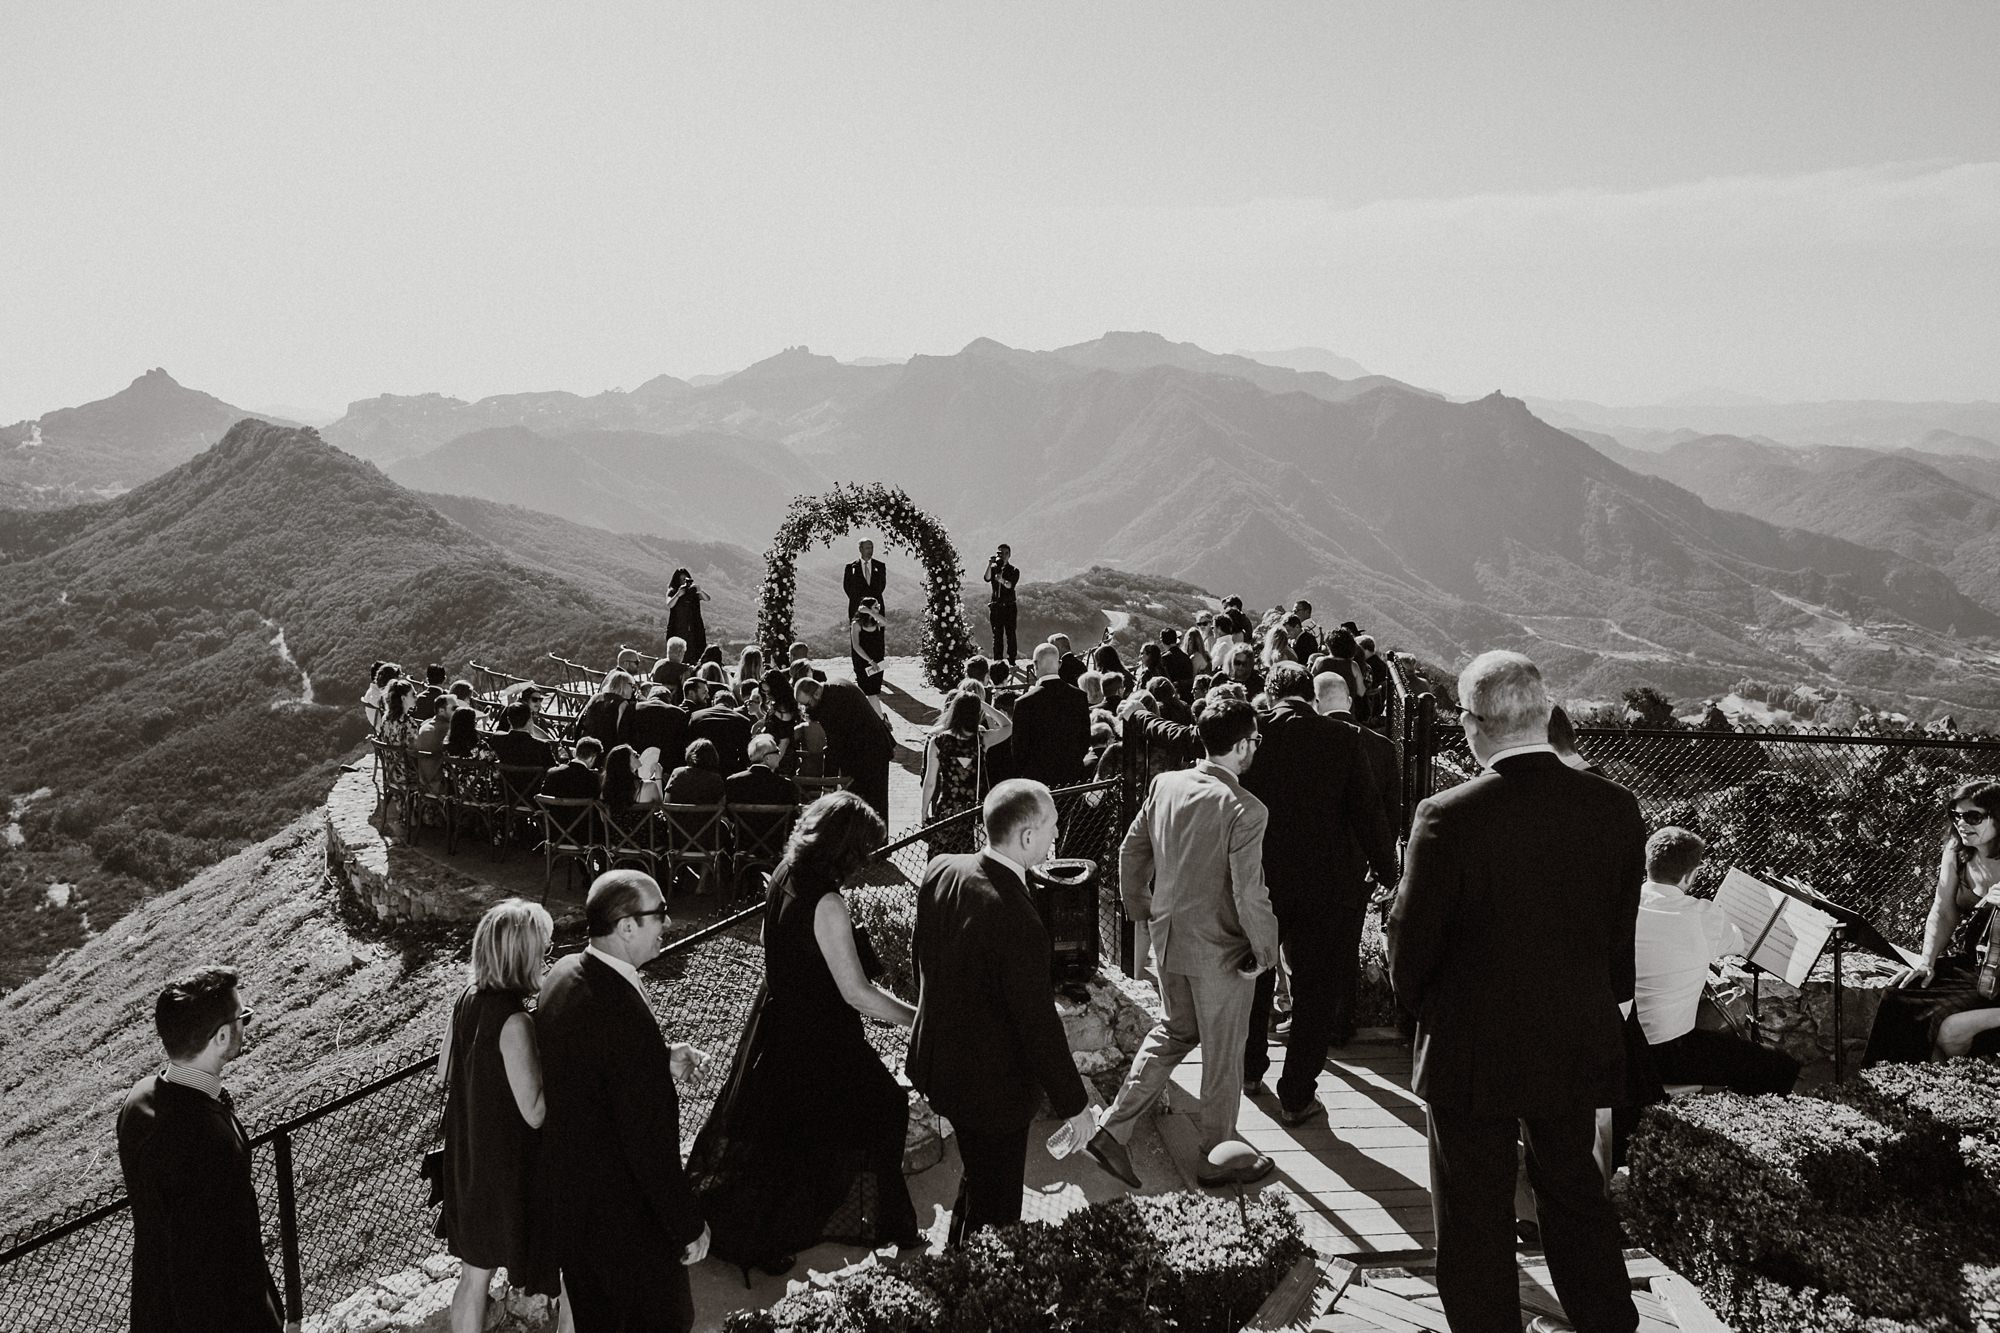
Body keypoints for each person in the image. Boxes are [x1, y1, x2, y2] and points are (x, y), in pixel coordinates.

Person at [1388, 650, 1643, 1333]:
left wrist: (1427, 1010)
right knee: (1576, 1194)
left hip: (1472, 1046)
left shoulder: (1447, 815)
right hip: (1574, 1035)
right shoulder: (1615, 807)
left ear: (1472, 725)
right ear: (1544, 713)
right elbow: (1620, 936)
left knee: (1473, 1212)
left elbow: (1411, 947)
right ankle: (1609, 1324)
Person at [687, 794, 920, 1273]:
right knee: (887, 1107)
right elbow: (857, 993)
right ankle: (885, 1223)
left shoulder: (784, 872)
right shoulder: (828, 903)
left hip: (779, 1022)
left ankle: (765, 1233)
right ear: (847, 850)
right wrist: (919, 1019)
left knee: (780, 1133)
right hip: (821, 1035)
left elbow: (773, 943)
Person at [1089, 698, 1281, 1189]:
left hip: (1168, 937)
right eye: (1255, 740)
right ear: (1242, 746)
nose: (1256, 748)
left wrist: (1141, 908)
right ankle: (1217, 1155)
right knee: (1223, 1055)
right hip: (1222, 951)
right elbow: (1248, 892)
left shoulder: (1166, 784)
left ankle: (1113, 1129)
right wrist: (1266, 951)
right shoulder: (1247, 809)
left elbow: (1132, 849)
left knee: (1174, 1033)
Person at [908, 780, 1101, 1244]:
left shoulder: (941, 868)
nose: (1058, 835)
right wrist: (1076, 1107)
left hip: (940, 1066)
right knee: (997, 1213)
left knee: (979, 1178)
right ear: (1027, 837)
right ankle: (972, 1277)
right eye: (1053, 826)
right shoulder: (1016, 918)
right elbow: (1038, 1026)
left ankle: (957, 1254)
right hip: (990, 1092)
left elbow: (923, 963)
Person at [537, 872, 709, 1333]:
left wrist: (660, 1058)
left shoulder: (564, 975)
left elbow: (591, 1066)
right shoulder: (620, 1013)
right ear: (627, 926)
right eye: (659, 913)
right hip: (624, 1222)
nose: (667, 923)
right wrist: (688, 1224)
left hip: (576, 1210)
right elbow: (647, 1141)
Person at [1239, 664, 1398, 1120]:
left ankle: (1249, 1069)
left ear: (1270, 694)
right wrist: (1387, 870)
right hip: (1327, 883)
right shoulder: (1343, 738)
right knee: (1315, 989)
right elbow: (1367, 810)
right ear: (1311, 695)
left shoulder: (1254, 734)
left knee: (1255, 978)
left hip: (1262, 878)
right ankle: (1297, 1095)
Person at [117, 966, 284, 1333]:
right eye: (243, 1017)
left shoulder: (138, 1101)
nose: (246, 1024)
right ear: (222, 1036)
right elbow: (216, 1267)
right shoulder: (210, 1142)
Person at [440, 900, 559, 1332]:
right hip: (505, 1170)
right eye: (543, 948)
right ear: (521, 955)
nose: (546, 957)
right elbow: (535, 1112)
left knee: (473, 1276)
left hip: (468, 1156)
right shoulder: (515, 1021)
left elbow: (444, 1070)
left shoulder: (466, 999)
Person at [1630, 828, 1799, 1092]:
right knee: (1781, 1066)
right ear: (1689, 875)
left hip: (1622, 1045)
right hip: (1666, 1052)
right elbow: (1739, 942)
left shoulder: (1623, 907)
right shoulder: (1703, 916)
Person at [1866, 779, 2000, 1063]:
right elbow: (1943, 911)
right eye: (1956, 815)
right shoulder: (1957, 852)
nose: (1962, 823)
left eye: (1973, 816)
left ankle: (1934, 1080)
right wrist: (1926, 962)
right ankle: (1887, 1081)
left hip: (1998, 980)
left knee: (1942, 1020)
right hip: (1979, 966)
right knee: (1899, 994)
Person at [1316, 669, 1401, 870]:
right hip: (1364, 854)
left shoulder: (1313, 742)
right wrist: (1383, 857)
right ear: (1349, 702)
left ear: (1315, 702)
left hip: (1321, 852)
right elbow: (1392, 809)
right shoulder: (1383, 746)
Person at [793, 677, 894, 822]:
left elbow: (834, 746)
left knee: (870, 805)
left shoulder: (830, 705)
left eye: (807, 704)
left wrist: (828, 784)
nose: (806, 709)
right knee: (869, 805)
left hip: (870, 754)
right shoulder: (835, 685)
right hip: (872, 748)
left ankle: (875, 835)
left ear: (816, 694)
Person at [920, 692, 1008, 853]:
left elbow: (930, 782)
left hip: (948, 808)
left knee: (945, 856)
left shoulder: (938, 741)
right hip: (976, 809)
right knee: (974, 856)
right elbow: (1008, 726)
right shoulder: (982, 739)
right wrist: (984, 705)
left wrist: (924, 810)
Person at [1011, 643, 1092, 789]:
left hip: (1038, 780)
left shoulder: (1024, 703)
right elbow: (1085, 739)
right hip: (1072, 777)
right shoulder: (1079, 697)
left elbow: (1019, 750)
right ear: (1059, 664)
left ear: (1035, 665)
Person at [490, 702, 556, 795]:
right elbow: (553, 772)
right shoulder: (542, 745)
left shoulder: (498, 740)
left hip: (508, 795)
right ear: (529, 720)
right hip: (534, 795)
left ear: (508, 720)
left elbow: (499, 733)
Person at [689, 689, 755, 776]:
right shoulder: (742, 721)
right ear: (732, 707)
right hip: (729, 770)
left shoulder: (696, 717)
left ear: (713, 703)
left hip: (701, 768)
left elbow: (689, 745)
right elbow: (745, 753)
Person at [571, 671, 636, 756]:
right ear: (623, 685)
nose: (633, 690)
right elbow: (620, 731)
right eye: (632, 686)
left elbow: (581, 721)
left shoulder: (596, 697)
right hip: (606, 749)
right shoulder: (622, 703)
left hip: (588, 744)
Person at [726, 734, 800, 808]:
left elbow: (728, 811)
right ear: (767, 758)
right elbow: (793, 813)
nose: (779, 755)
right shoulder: (786, 786)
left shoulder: (732, 782)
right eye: (777, 751)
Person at [849, 597, 888, 715]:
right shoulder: (856, 624)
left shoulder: (876, 621)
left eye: (878, 606)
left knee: (874, 691)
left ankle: (876, 717)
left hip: (878, 660)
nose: (878, 608)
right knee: (869, 692)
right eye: (875, 606)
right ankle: (879, 718)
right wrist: (870, 661)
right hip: (863, 661)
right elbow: (856, 646)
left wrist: (870, 611)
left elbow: (885, 622)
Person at [982, 543, 1021, 663]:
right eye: (1000, 553)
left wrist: (1002, 580)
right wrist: (990, 564)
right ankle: (998, 660)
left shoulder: (1014, 570)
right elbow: (987, 578)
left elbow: (1010, 585)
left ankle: (1012, 659)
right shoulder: (994, 569)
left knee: (1011, 633)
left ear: (1009, 555)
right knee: (997, 634)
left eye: (1005, 553)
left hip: (1009, 606)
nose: (1003, 555)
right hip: (996, 606)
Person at [602, 743, 662, 815]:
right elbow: (662, 809)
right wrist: (658, 777)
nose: (639, 756)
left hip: (616, 822)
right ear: (625, 762)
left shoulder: (606, 791)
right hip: (643, 822)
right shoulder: (650, 787)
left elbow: (604, 817)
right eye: (635, 755)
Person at [666, 569, 709, 664]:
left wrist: (700, 591)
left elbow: (707, 598)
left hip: (695, 629)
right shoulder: (673, 591)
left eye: (686, 579)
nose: (684, 582)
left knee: (697, 652)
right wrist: (678, 595)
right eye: (682, 580)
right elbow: (669, 604)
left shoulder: (693, 592)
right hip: (677, 629)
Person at [541, 736, 603, 801]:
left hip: (554, 807)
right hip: (581, 807)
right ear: (592, 758)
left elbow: (544, 795)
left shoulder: (552, 773)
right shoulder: (593, 780)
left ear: (575, 753)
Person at [843, 538, 887, 618]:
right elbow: (847, 587)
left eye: (871, 548)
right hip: (857, 608)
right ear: (860, 549)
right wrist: (857, 599)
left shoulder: (880, 566)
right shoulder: (851, 567)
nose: (870, 550)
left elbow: (882, 585)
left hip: (876, 608)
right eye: (867, 548)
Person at [1158, 630, 1194, 701]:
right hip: (1188, 696)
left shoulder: (1164, 658)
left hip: (1173, 697)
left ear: (1162, 640)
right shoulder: (1186, 657)